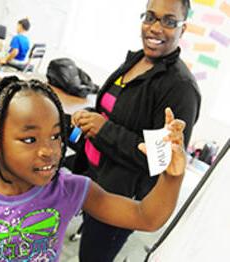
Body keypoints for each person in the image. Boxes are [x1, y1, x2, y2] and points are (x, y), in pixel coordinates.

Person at [0, 77, 186, 261]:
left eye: (55, 136)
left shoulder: (69, 189)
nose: (50, 151)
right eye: (29, 139)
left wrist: (172, 176)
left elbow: (146, 217)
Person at [71, 0, 201, 261]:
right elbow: (114, 111)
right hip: (93, 175)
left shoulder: (180, 88)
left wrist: (103, 129)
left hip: (121, 198)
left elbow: (160, 161)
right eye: (150, 17)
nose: (155, 28)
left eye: (168, 21)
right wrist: (91, 119)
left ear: (182, 29)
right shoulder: (136, 60)